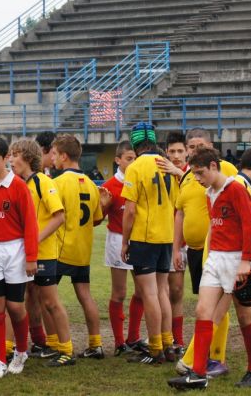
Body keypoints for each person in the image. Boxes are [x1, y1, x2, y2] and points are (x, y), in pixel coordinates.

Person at [167, 147, 251, 390]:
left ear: (214, 167)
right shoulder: (209, 192)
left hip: (236, 259)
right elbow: (216, 227)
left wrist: (246, 261)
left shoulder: (236, 189)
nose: (196, 178)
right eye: (194, 173)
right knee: (202, 310)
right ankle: (198, 373)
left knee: (245, 316)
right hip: (216, 259)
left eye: (199, 172)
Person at [174, 128, 238, 376]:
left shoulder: (225, 171)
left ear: (211, 147)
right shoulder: (188, 175)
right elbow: (180, 211)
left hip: (220, 250)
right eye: (191, 147)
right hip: (196, 250)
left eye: (199, 146)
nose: (194, 151)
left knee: (218, 303)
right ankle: (204, 357)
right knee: (205, 305)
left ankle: (213, 357)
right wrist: (176, 247)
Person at [9, 139, 74, 367]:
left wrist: (34, 241)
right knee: (23, 299)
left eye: (15, 154)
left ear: (27, 157)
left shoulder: (43, 182)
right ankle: (40, 344)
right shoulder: (17, 183)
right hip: (23, 254)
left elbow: (59, 216)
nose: (11, 159)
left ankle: (66, 350)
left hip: (43, 254)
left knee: (51, 302)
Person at [0, 136, 38, 378]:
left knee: (15, 306)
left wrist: (31, 256)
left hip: (15, 250)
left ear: (6, 159)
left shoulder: (18, 187)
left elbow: (30, 224)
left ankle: (21, 351)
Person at [121, 123, 177, 365]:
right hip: (166, 236)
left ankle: (155, 349)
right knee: (162, 291)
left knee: (150, 294)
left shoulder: (135, 167)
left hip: (145, 237)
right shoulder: (167, 165)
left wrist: (125, 242)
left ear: (135, 145)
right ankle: (168, 343)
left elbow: (130, 211)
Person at [51, 134, 104, 359]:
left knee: (46, 298)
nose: (52, 159)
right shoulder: (92, 185)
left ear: (63, 156)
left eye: (54, 154)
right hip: (82, 251)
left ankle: (55, 342)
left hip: (61, 250)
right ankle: (96, 344)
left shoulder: (58, 183)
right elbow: (97, 218)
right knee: (85, 296)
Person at [98, 141, 146, 356]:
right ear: (118, 160)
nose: (132, 162)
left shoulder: (140, 180)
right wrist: (102, 205)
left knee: (143, 291)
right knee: (120, 293)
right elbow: (95, 221)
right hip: (118, 241)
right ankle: (119, 343)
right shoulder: (110, 185)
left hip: (140, 240)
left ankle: (133, 337)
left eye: (134, 158)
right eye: (128, 158)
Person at [160, 132, 187, 352]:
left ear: (187, 151)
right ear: (166, 152)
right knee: (168, 290)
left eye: (180, 151)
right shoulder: (160, 174)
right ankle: (169, 339)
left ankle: (177, 339)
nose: (176, 155)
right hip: (167, 240)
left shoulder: (194, 174)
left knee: (178, 291)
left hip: (191, 242)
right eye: (172, 151)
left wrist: (180, 173)